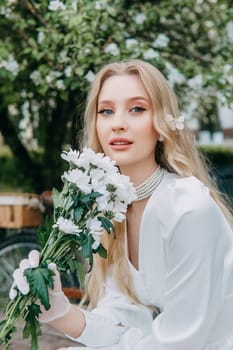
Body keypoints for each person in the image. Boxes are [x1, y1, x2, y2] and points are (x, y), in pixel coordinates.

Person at [12, 60, 233, 350]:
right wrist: (60, 312)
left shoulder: (187, 208)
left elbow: (181, 342)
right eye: (106, 111)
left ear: (162, 123)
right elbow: (123, 322)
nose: (118, 123)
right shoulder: (109, 210)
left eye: (137, 109)